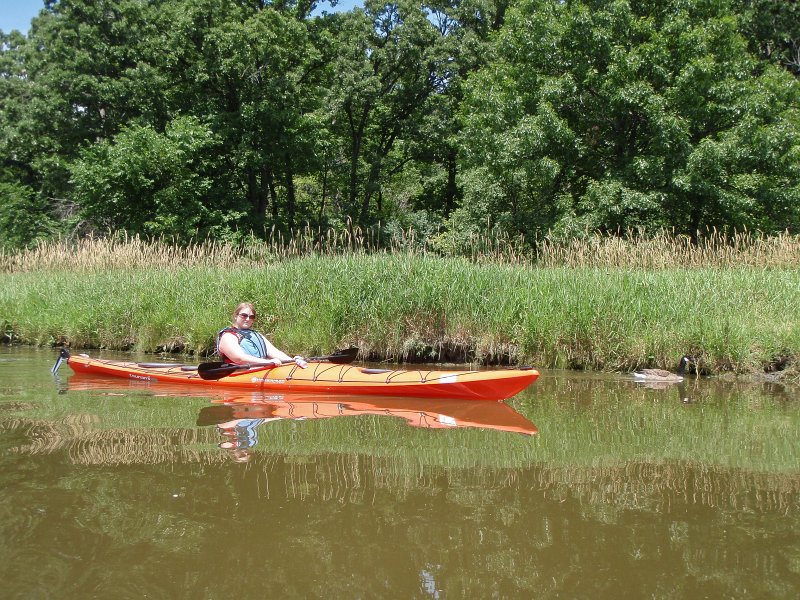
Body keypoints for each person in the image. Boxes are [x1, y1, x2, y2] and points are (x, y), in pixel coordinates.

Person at [216, 302, 308, 368]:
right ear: (236, 316)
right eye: (244, 315)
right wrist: (267, 362)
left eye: (251, 317)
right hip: (239, 373)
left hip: (260, 368)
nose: (248, 319)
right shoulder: (228, 336)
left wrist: (292, 360)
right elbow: (239, 358)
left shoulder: (256, 334)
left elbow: (274, 352)